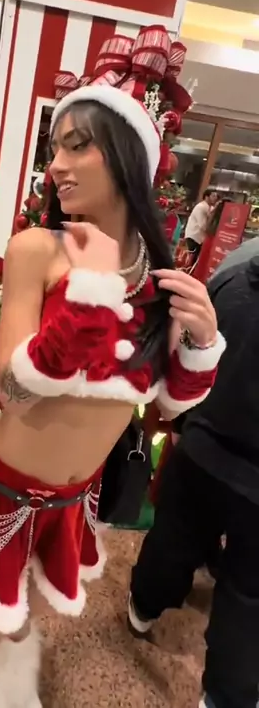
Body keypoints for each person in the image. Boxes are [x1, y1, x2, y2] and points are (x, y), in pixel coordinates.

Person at [0, 74, 225, 707]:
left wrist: (202, 342)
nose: (56, 168)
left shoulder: (159, 280)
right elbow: (13, 389)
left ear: (127, 158)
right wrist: (87, 296)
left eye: (77, 146)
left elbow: (165, 404)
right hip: (2, 492)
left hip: (74, 501)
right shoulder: (37, 249)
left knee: (26, 616)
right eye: (54, 150)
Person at [128, 237, 259, 708]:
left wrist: (181, 424)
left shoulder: (236, 271)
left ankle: (143, 607)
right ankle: (225, 695)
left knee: (174, 538)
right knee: (249, 594)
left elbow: (198, 351)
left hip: (202, 442)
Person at [184, 188, 218, 260]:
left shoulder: (210, 207)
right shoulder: (201, 207)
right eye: (213, 196)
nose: (215, 198)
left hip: (201, 238)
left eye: (216, 196)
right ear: (206, 197)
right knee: (192, 259)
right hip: (194, 237)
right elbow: (202, 226)